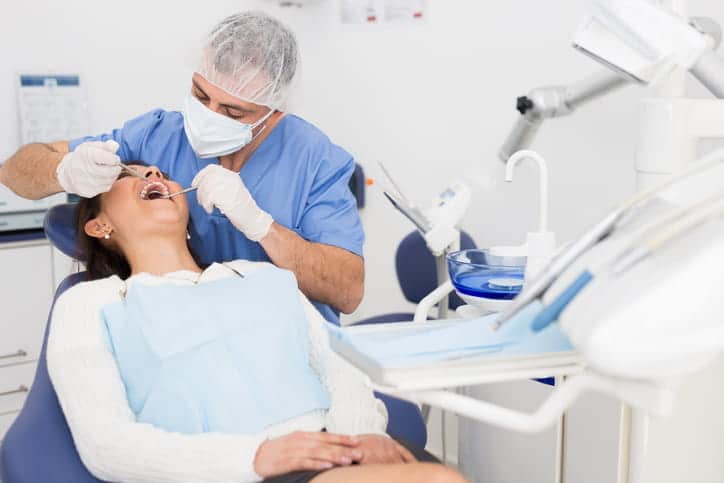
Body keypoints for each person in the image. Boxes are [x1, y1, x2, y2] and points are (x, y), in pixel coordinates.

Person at [47, 163, 468, 483]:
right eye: (126, 174)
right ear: (99, 224)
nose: (153, 173)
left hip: (336, 450)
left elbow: (339, 366)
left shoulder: (262, 276)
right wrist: (253, 457)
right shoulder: (90, 303)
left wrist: (365, 435)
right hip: (235, 471)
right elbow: (105, 444)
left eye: (157, 171)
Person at [0, 11, 362, 323]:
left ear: (274, 110)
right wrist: (62, 170)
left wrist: (263, 228)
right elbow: (13, 171)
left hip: (293, 345)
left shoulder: (316, 160)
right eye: (201, 95)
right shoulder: (157, 135)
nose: (209, 116)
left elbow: (348, 291)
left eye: (233, 111)